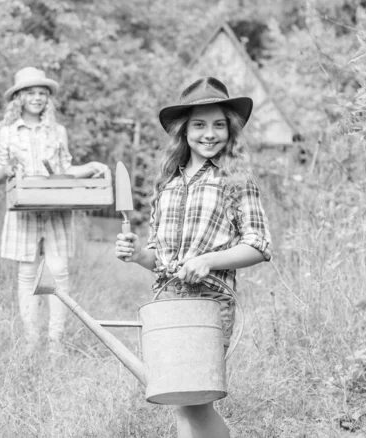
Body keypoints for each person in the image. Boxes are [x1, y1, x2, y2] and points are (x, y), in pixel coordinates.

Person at [115, 77, 272, 438]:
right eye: (199, 124)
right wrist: (139, 254)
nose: (209, 134)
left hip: (209, 301)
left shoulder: (236, 180)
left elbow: (259, 245)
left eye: (219, 125)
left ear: (230, 130)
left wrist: (210, 260)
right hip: (166, 300)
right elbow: (160, 258)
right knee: (180, 398)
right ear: (184, 131)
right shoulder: (167, 184)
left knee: (194, 400)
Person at [0, 67, 109, 357]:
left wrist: (92, 167)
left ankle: (55, 342)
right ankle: (32, 341)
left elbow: (65, 169)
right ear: (19, 97)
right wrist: (11, 168)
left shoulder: (57, 132)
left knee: (58, 272)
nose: (37, 98)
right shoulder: (6, 133)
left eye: (42, 94)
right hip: (24, 211)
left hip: (56, 209)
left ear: (48, 99)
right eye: (31, 93)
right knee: (27, 273)